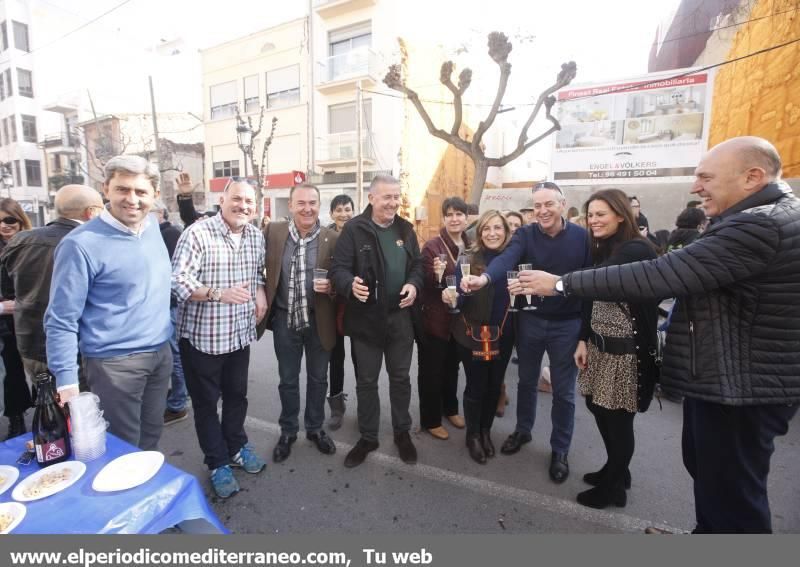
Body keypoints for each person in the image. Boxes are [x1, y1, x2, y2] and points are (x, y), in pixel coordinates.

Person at [522, 136, 799, 533]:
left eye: (706, 176)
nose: (695, 186)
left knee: (732, 499)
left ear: (752, 177)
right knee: (715, 483)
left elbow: (658, 277)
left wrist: (560, 284)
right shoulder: (763, 217)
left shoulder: (759, 225)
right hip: (734, 380)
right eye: (591, 214)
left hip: (740, 388)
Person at [461, 180, 591, 483]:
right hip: (531, 321)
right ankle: (523, 431)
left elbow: (589, 287)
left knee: (563, 392)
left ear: (562, 203)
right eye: (537, 205)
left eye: (549, 204)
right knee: (526, 382)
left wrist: (584, 336)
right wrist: (484, 280)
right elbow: (506, 258)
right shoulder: (525, 234)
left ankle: (560, 449)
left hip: (567, 325)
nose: (543, 210)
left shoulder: (583, 239)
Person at [45, 156, 173, 450]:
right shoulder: (80, 244)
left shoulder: (152, 225)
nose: (132, 200)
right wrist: (66, 382)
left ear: (154, 195)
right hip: (114, 364)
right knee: (123, 448)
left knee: (151, 438)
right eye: (122, 189)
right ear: (106, 188)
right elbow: (61, 319)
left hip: (159, 354)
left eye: (141, 192)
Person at [172, 178, 268, 498]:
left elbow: (256, 273)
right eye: (237, 198)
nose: (243, 206)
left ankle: (237, 446)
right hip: (203, 338)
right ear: (222, 199)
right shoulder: (197, 233)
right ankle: (217, 462)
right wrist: (217, 294)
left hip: (239, 334)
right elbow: (179, 283)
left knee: (237, 396)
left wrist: (260, 294)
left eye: (249, 201)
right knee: (205, 404)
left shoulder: (255, 236)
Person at [570, 189, 659, 509]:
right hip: (600, 347)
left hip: (627, 353)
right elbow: (590, 299)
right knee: (598, 407)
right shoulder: (605, 247)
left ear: (621, 215)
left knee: (618, 419)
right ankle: (616, 470)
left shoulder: (636, 249)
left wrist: (555, 282)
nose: (593, 220)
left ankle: (613, 489)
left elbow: (596, 281)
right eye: (590, 214)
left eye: (601, 214)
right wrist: (584, 339)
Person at [330, 174, 424, 468]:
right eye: (387, 197)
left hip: (400, 319)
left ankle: (401, 432)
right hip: (366, 319)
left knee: (400, 378)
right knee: (366, 381)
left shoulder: (406, 229)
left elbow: (418, 266)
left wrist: (414, 284)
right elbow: (338, 269)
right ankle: (368, 436)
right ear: (371, 198)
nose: (393, 203)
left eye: (397, 197)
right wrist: (349, 285)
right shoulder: (354, 229)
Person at [260, 183, 338, 462]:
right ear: (290, 206)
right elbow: (257, 266)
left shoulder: (333, 237)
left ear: (320, 205)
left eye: (313, 203)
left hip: (320, 321)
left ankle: (315, 428)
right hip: (284, 320)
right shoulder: (273, 232)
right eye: (301, 203)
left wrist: (331, 287)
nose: (307, 208)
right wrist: (259, 292)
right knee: (288, 381)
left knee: (318, 380)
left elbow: (342, 279)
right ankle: (288, 430)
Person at [0, 186, 103, 389]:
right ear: (92, 211)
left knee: (48, 404)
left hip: (31, 342)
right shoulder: (92, 241)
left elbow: (8, 290)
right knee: (83, 409)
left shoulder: (20, 241)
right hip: (78, 345)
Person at [450, 210, 514, 463]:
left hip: (504, 334)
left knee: (493, 385)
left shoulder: (513, 258)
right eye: (486, 228)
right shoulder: (467, 256)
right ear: (479, 232)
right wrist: (456, 294)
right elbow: (456, 296)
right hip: (472, 333)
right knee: (476, 386)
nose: (492, 233)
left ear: (506, 232)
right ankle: (473, 435)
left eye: (498, 228)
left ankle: (486, 430)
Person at [418, 197, 470, 440]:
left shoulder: (472, 246)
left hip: (460, 321)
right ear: (444, 218)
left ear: (466, 217)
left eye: (459, 214)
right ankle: (431, 419)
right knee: (431, 371)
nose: (454, 218)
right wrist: (437, 278)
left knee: (452, 367)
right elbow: (424, 280)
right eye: (449, 214)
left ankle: (450, 408)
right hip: (435, 319)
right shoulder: (432, 246)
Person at [152, 200, 189, 426]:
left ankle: (178, 403)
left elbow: (176, 273)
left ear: (160, 213)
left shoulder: (170, 234)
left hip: (170, 303)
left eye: (149, 212)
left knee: (175, 355)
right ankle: (176, 396)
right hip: (159, 304)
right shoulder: (152, 234)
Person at [0, 199, 33, 438]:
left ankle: (51, 413)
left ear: (20, 220)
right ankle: (16, 418)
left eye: (9, 219)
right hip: (5, 322)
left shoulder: (34, 245)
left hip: (34, 317)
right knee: (12, 372)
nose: (4, 225)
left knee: (45, 369)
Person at [326, 194, 357, 429]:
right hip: (330, 305)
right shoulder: (324, 237)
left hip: (356, 305)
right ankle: (336, 406)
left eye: (347, 209)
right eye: (339, 209)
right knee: (335, 358)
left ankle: (365, 405)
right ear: (331, 214)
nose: (343, 214)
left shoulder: (360, 234)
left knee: (361, 359)